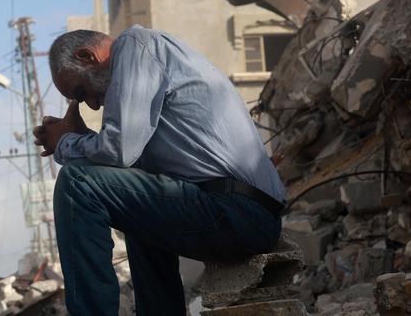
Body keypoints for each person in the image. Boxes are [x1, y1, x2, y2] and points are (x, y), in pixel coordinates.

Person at [33, 26, 286, 316]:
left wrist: (67, 143)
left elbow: (119, 151)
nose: (91, 103)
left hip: (239, 211)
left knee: (77, 182)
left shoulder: (134, 45)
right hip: (241, 213)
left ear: (87, 56)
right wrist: (83, 135)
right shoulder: (151, 67)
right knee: (133, 204)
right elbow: (129, 170)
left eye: (81, 92)